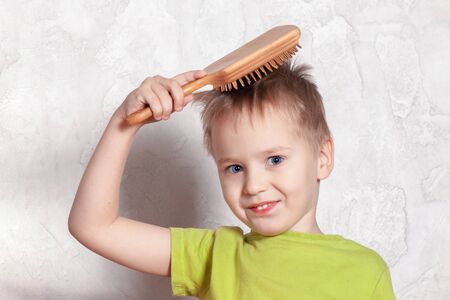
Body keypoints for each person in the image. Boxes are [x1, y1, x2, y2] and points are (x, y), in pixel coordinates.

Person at [68, 58, 396, 299]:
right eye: (235, 168)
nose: (253, 186)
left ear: (322, 158)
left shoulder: (365, 273)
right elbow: (93, 226)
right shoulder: (216, 255)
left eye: (275, 159)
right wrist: (124, 124)